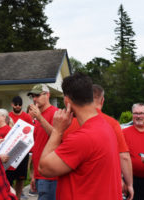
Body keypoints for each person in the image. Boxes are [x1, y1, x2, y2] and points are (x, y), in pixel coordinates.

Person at [39, 72, 122, 200]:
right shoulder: (106, 127)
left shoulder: (82, 138)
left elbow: (43, 168)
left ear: (67, 100)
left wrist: (57, 131)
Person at [92, 84, 134, 200]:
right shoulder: (111, 123)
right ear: (103, 100)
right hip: (106, 188)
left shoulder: (70, 122)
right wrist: (129, 184)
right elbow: (124, 156)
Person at [27, 84, 58, 200]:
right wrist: (34, 175)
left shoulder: (56, 113)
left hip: (51, 176)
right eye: (33, 96)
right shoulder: (38, 116)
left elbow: (57, 136)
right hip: (40, 175)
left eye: (37, 95)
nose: (34, 99)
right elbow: (37, 147)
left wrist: (40, 118)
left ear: (48, 95)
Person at [8, 96, 33, 199]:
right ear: (12, 104)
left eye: (20, 104)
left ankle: (18, 197)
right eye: (16, 104)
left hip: (23, 151)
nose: (18, 106)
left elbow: (31, 132)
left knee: (21, 178)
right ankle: (11, 196)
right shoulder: (8, 116)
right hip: (10, 151)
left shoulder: (27, 117)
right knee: (10, 177)